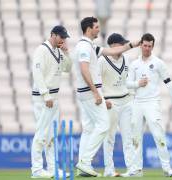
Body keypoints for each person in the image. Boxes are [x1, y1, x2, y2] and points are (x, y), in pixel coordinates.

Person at [72, 17, 139, 177]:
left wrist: (132, 45)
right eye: (96, 27)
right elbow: (84, 69)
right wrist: (96, 92)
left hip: (90, 93)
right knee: (103, 125)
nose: (98, 29)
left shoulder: (90, 46)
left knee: (90, 129)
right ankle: (84, 162)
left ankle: (84, 164)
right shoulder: (83, 46)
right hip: (90, 93)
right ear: (88, 29)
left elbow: (113, 51)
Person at [126, 33, 172, 177]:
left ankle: (167, 168)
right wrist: (138, 83)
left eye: (149, 46)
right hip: (137, 103)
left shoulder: (158, 63)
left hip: (152, 103)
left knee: (159, 136)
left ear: (153, 46)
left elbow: (168, 82)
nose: (146, 48)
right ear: (140, 45)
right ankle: (137, 169)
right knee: (136, 137)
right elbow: (127, 84)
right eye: (144, 45)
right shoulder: (134, 64)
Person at [31, 25, 71, 178]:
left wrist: (66, 52)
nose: (63, 39)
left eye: (64, 37)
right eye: (61, 37)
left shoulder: (58, 51)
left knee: (51, 136)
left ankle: (53, 169)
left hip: (54, 97)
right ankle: (36, 170)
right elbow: (37, 72)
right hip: (43, 98)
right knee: (41, 134)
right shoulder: (42, 50)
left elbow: (68, 68)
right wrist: (45, 94)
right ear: (53, 35)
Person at [98, 33, 134, 177]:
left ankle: (132, 168)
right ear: (113, 46)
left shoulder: (127, 58)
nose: (124, 47)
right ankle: (109, 169)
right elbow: (97, 83)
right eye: (121, 44)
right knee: (110, 137)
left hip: (126, 101)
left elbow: (127, 80)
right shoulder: (102, 60)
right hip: (110, 102)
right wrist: (102, 99)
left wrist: (132, 95)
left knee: (128, 137)